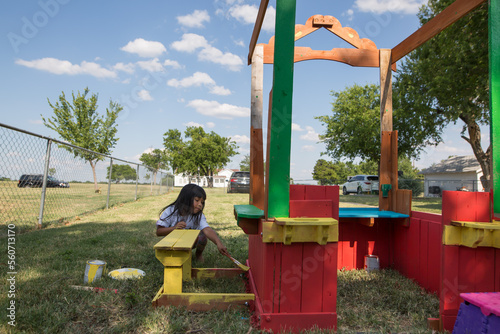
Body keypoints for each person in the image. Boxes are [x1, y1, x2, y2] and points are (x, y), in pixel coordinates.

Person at [156, 184, 229, 262]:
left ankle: (198, 254)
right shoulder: (170, 211)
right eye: (197, 200)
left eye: (202, 202)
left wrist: (218, 243)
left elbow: (207, 229)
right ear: (186, 199)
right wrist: (174, 228)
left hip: (188, 243)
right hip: (171, 243)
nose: (200, 204)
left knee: (202, 236)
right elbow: (159, 232)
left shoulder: (199, 216)